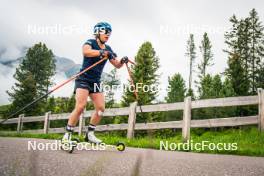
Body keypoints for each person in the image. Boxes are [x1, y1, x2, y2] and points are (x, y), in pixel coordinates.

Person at [62, 22, 128, 144]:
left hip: (95, 82)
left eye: (109, 32)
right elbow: (86, 52)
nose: (108, 34)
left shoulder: (108, 49)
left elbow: (117, 65)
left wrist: (123, 61)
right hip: (83, 79)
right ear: (98, 32)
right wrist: (101, 53)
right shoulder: (90, 42)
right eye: (105, 32)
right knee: (81, 107)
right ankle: (67, 135)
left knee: (101, 109)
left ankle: (90, 134)